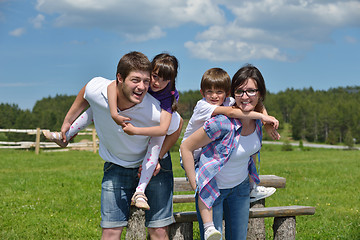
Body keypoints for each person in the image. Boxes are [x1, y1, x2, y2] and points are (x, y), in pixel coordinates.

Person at [57, 51, 182, 240]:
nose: (146, 86)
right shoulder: (103, 91)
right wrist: (68, 121)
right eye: (138, 80)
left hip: (153, 168)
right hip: (116, 166)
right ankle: (68, 134)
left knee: (158, 230)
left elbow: (175, 126)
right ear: (120, 79)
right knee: (110, 230)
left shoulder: (159, 107)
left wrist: (158, 156)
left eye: (146, 81)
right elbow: (87, 91)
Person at [180, 67, 279, 240]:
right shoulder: (221, 122)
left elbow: (258, 107)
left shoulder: (256, 121)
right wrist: (196, 185)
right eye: (240, 91)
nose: (245, 96)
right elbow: (186, 147)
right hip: (213, 189)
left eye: (251, 91)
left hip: (240, 189)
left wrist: (265, 120)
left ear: (260, 93)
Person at [107, 53, 180, 210]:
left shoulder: (168, 95)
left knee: (153, 153)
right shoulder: (142, 84)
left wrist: (135, 131)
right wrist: (114, 113)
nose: (157, 83)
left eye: (164, 79)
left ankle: (140, 192)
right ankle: (68, 131)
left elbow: (163, 129)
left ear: (171, 80)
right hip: (137, 131)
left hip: (156, 130)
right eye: (155, 76)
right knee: (97, 107)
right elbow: (111, 86)